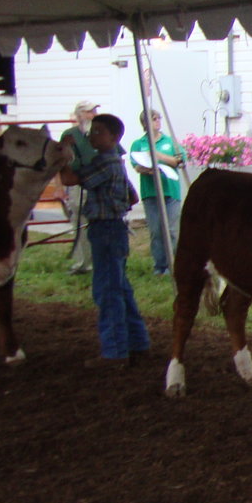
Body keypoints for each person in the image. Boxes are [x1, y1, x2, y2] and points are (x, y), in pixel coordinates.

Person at [59, 113, 150, 367]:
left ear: (114, 137)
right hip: (115, 229)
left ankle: (115, 352)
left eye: (99, 132)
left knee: (107, 292)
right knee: (120, 289)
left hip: (105, 231)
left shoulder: (102, 162)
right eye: (92, 132)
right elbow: (132, 198)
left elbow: (69, 179)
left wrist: (64, 155)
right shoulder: (116, 163)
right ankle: (137, 342)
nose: (92, 136)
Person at [128, 109, 187, 275]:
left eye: (158, 118)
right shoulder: (139, 144)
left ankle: (175, 264)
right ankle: (160, 265)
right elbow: (136, 165)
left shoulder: (170, 142)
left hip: (170, 191)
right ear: (145, 123)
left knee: (172, 230)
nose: (157, 121)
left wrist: (159, 156)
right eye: (153, 119)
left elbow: (179, 161)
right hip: (151, 192)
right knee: (156, 230)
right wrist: (146, 169)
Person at [63, 99, 99, 275]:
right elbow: (64, 162)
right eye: (90, 111)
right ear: (80, 114)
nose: (94, 114)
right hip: (79, 185)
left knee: (99, 224)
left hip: (99, 185)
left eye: (94, 111)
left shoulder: (100, 134)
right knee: (80, 224)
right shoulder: (70, 135)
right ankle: (82, 263)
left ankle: (99, 261)